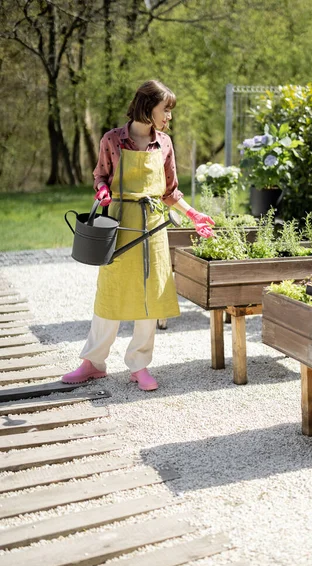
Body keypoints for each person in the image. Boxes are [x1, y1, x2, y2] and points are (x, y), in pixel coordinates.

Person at [62, 80, 214, 391]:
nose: (168, 116)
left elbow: (170, 191)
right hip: (119, 223)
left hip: (153, 225)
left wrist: (194, 214)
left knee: (150, 295)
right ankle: (93, 363)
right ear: (147, 106)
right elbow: (100, 176)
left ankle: (139, 364)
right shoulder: (112, 140)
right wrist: (103, 191)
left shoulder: (166, 144)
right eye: (165, 109)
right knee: (110, 292)